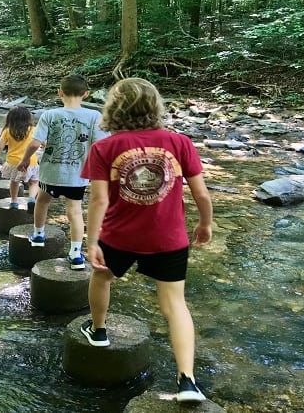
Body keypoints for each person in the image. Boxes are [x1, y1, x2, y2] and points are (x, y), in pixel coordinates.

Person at [79, 78, 214, 404]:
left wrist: (91, 240)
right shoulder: (180, 142)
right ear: (155, 107)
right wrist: (206, 223)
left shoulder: (104, 148)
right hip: (168, 238)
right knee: (175, 305)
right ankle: (187, 381)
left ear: (114, 109)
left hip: (118, 236)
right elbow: (200, 193)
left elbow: (98, 201)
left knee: (102, 275)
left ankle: (98, 331)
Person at [17, 74, 109, 270]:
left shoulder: (50, 115)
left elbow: (34, 142)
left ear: (59, 93)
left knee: (42, 200)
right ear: (86, 94)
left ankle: (38, 235)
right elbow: (100, 145)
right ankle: (76, 254)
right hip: (77, 176)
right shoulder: (94, 116)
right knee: (75, 212)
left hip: (50, 173)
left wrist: (25, 160)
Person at [0, 106, 40, 209]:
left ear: (10, 118)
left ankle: (14, 201)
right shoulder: (34, 130)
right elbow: (43, 143)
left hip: (13, 162)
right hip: (31, 162)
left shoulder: (8, 130)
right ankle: (31, 199)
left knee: (14, 182)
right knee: (34, 182)